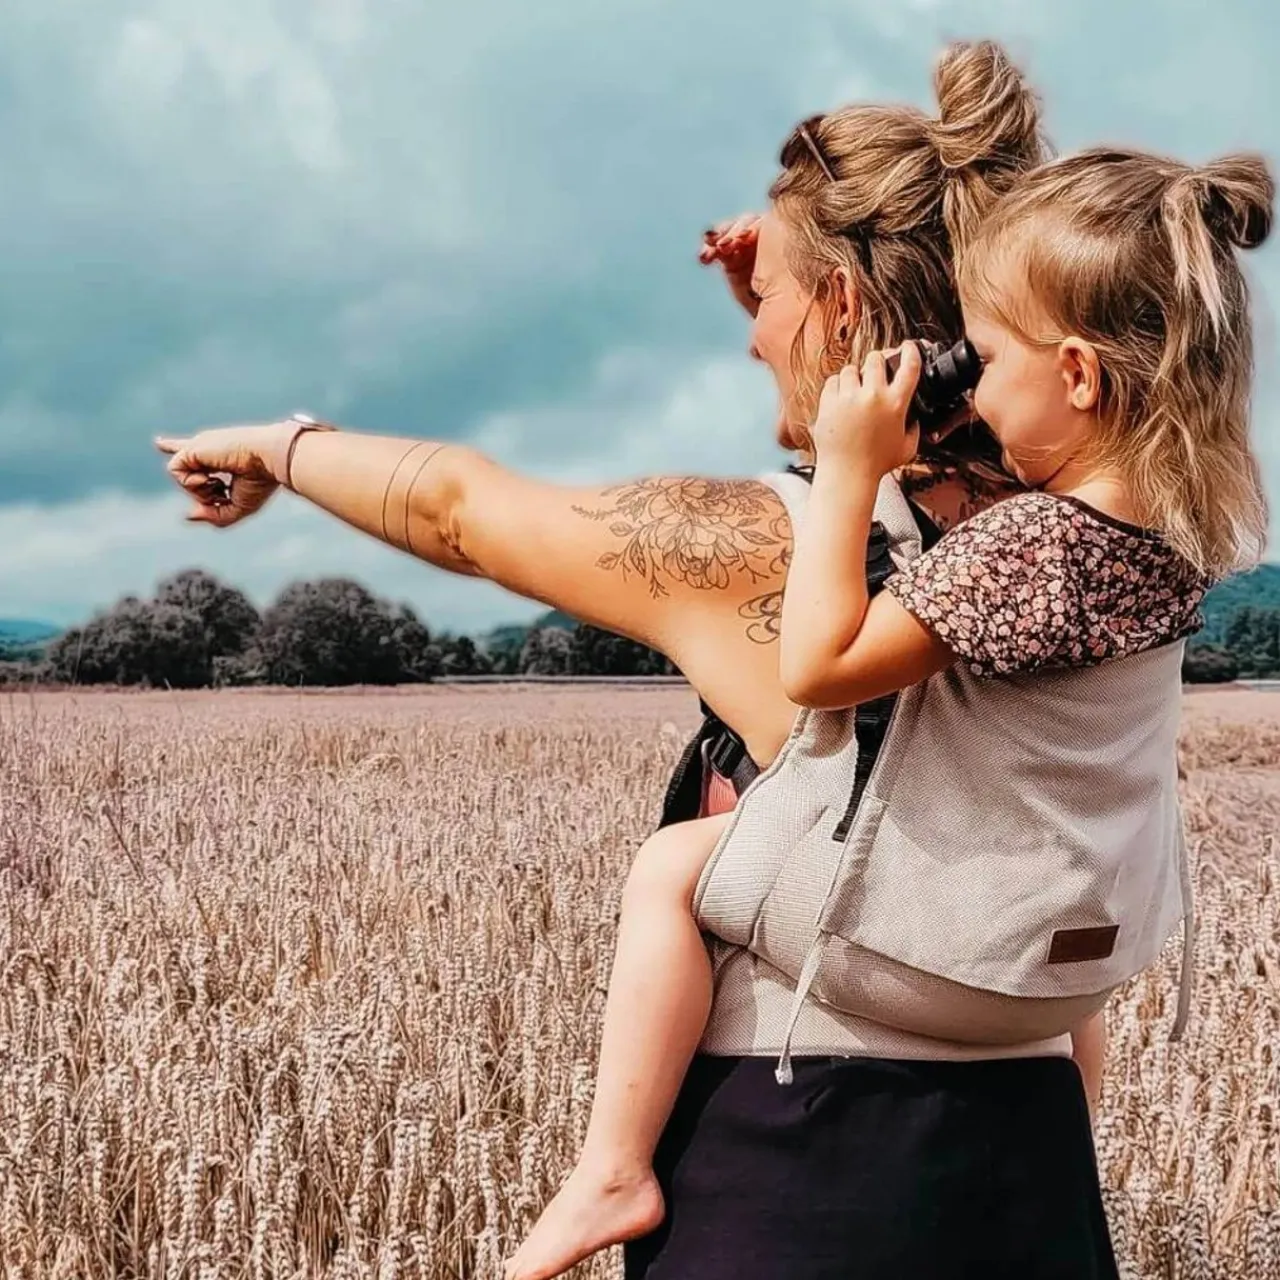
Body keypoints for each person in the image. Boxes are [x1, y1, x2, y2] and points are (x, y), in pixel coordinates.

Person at [154, 39, 1125, 1278]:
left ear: (839, 307)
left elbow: (457, 509)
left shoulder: (758, 547)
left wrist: (274, 445)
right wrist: (795, 281)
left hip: (801, 1167)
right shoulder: (1077, 526)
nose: (751, 340)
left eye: (768, 305)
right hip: (1034, 1165)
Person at [501, 138, 1272, 1280]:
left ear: (1075, 374)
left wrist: (848, 464)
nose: (974, 384)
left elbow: (820, 664)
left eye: (986, 356)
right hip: (1065, 979)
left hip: (933, 962)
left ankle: (611, 1168)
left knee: (670, 867)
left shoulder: (1023, 545)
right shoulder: (1172, 539)